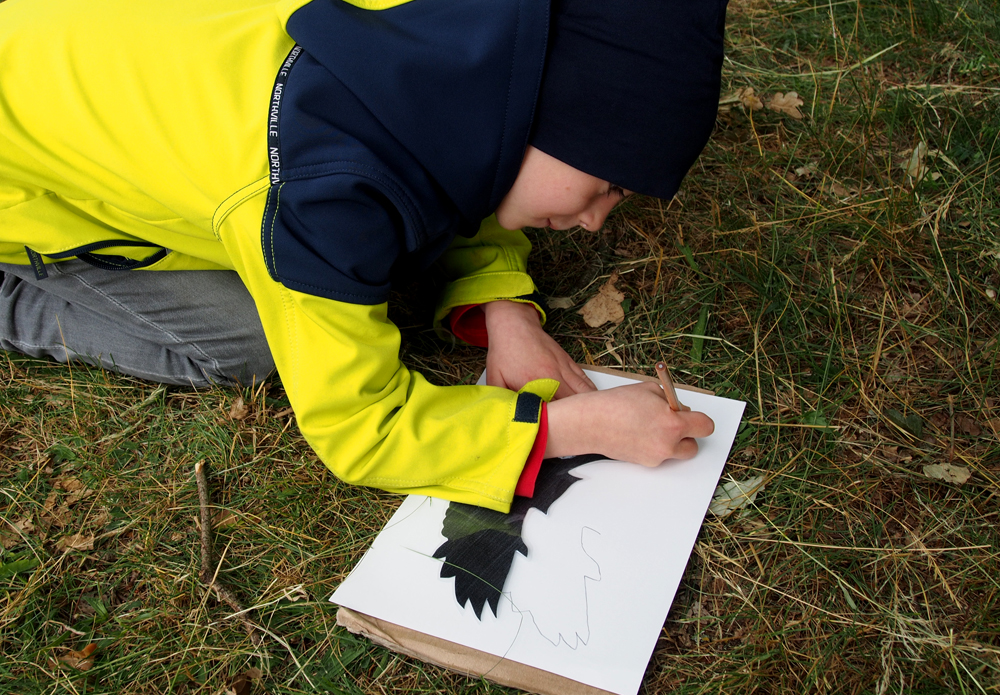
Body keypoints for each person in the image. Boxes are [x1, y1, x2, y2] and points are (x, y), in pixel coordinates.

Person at [0, 0, 726, 512]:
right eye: (607, 185)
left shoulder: (453, 32)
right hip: (24, 177)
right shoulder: (321, 196)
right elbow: (361, 428)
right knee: (252, 341)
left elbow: (470, 153)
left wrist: (504, 307)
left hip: (67, 43)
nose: (597, 219)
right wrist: (579, 428)